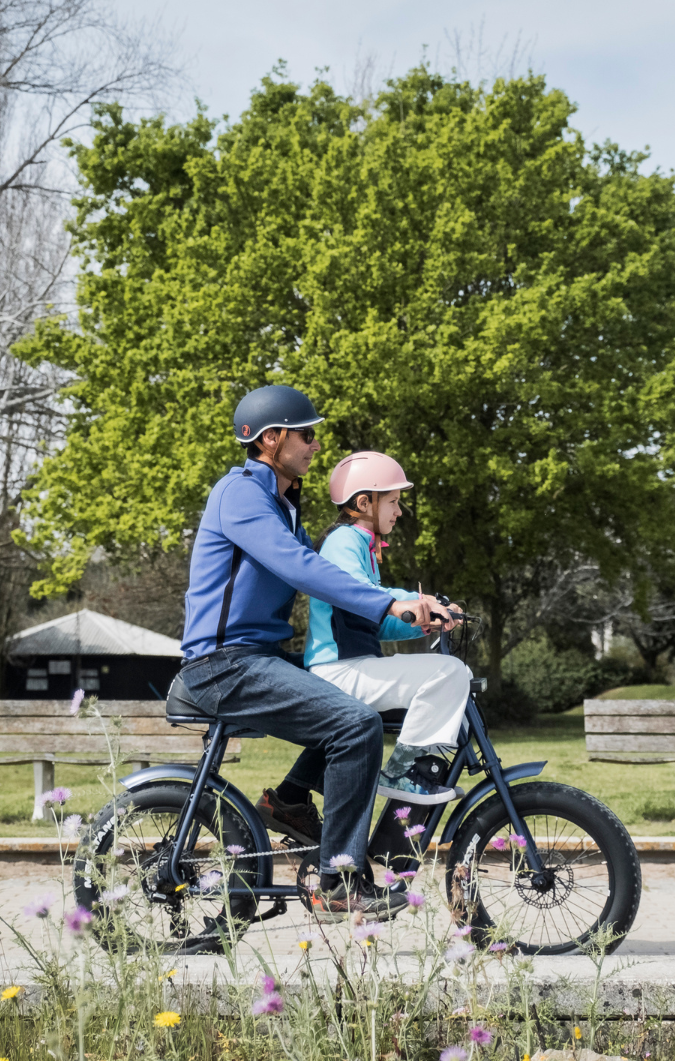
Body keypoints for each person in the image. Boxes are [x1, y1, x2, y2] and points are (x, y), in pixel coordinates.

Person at [179, 385, 446, 922]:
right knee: (356, 724)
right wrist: (387, 604)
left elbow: (321, 576)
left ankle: (295, 803)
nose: (315, 444)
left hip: (254, 661)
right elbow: (303, 570)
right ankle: (339, 879)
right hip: (223, 665)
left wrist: (403, 605)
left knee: (348, 720)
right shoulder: (240, 494)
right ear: (270, 439)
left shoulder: (281, 506)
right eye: (306, 434)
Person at [300, 451, 472, 804]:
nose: (399, 511)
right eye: (393, 501)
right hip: (339, 670)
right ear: (364, 502)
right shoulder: (343, 541)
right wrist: (418, 603)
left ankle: (417, 772)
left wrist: (428, 623)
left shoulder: (361, 545)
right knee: (450, 671)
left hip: (352, 666)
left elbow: (377, 623)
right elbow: (364, 594)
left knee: (455, 672)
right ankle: (403, 773)